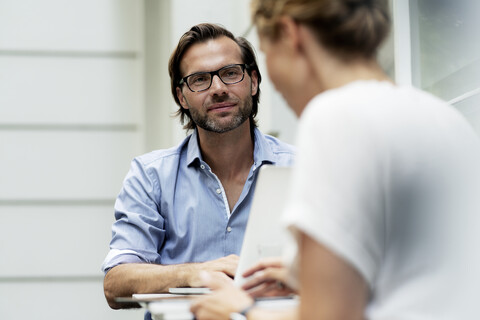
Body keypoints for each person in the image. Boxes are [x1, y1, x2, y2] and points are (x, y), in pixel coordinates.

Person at [190, 0, 480, 319]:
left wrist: (241, 311)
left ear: (289, 34)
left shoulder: (335, 117)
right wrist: (312, 279)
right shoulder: (446, 120)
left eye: (266, 52)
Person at [101, 22, 295, 316]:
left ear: (253, 82)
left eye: (230, 73)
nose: (218, 89)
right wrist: (197, 273)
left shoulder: (300, 169)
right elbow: (116, 284)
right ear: (182, 97)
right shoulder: (151, 176)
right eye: (200, 79)